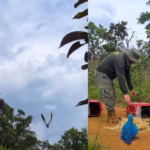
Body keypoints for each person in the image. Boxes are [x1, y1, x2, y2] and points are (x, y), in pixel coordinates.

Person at [95, 48, 141, 124]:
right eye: (133, 60)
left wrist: (131, 88)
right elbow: (121, 76)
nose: (134, 62)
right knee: (108, 93)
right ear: (130, 57)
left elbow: (127, 75)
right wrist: (125, 93)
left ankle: (112, 116)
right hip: (102, 74)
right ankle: (111, 117)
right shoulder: (120, 59)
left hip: (109, 76)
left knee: (113, 94)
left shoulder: (127, 62)